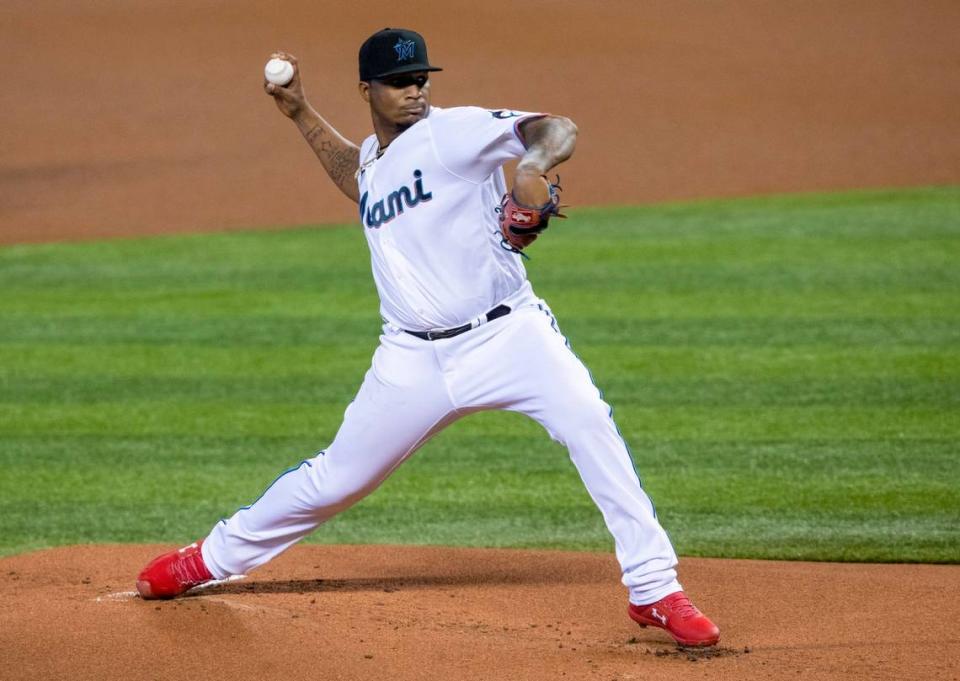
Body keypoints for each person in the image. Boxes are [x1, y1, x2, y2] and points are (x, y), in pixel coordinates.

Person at [136, 28, 720, 648]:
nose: (414, 91)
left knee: (589, 424)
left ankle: (655, 590)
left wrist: (528, 164)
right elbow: (362, 182)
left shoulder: (455, 131)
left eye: (420, 79)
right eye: (398, 82)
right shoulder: (375, 157)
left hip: (508, 337)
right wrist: (302, 113)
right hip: (411, 358)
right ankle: (209, 559)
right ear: (367, 89)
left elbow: (560, 129)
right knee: (339, 478)